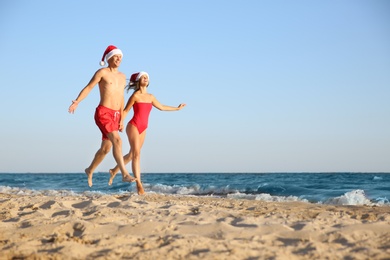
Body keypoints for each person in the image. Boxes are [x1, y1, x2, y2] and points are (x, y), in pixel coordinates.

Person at [68, 45, 136, 187]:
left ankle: (90, 169)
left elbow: (122, 97)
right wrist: (77, 101)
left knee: (106, 148)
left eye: (121, 57)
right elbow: (89, 87)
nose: (119, 59)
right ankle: (124, 173)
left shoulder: (123, 76)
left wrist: (122, 118)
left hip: (116, 115)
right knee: (118, 141)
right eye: (116, 56)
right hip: (103, 113)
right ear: (109, 58)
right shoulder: (102, 72)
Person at [108, 71, 186, 194]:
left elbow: (161, 107)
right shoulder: (135, 96)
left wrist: (177, 108)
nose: (145, 78)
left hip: (144, 128)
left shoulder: (151, 97)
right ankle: (139, 184)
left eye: (147, 77)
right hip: (133, 126)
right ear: (139, 80)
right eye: (143, 77)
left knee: (132, 154)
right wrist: (120, 122)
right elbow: (126, 110)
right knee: (137, 155)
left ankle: (114, 170)